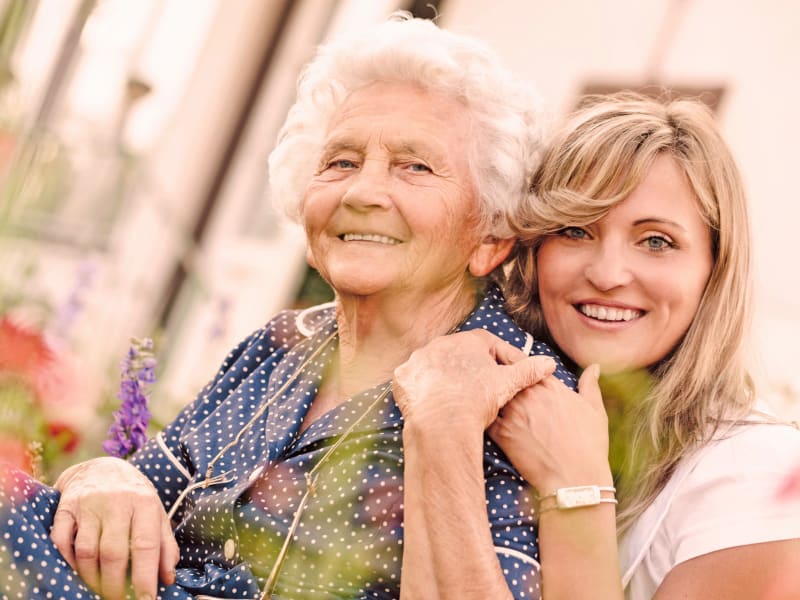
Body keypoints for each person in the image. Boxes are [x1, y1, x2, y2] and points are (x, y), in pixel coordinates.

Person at [0, 14, 573, 600]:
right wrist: (102, 474)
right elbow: (140, 491)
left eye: (415, 167)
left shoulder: (519, 393)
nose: (362, 192)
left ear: (490, 238)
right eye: (342, 162)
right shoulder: (278, 345)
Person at [397, 91, 800, 599]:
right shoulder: (498, 404)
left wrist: (575, 488)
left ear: (714, 269)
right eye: (575, 230)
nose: (608, 274)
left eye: (656, 241)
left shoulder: (750, 473)